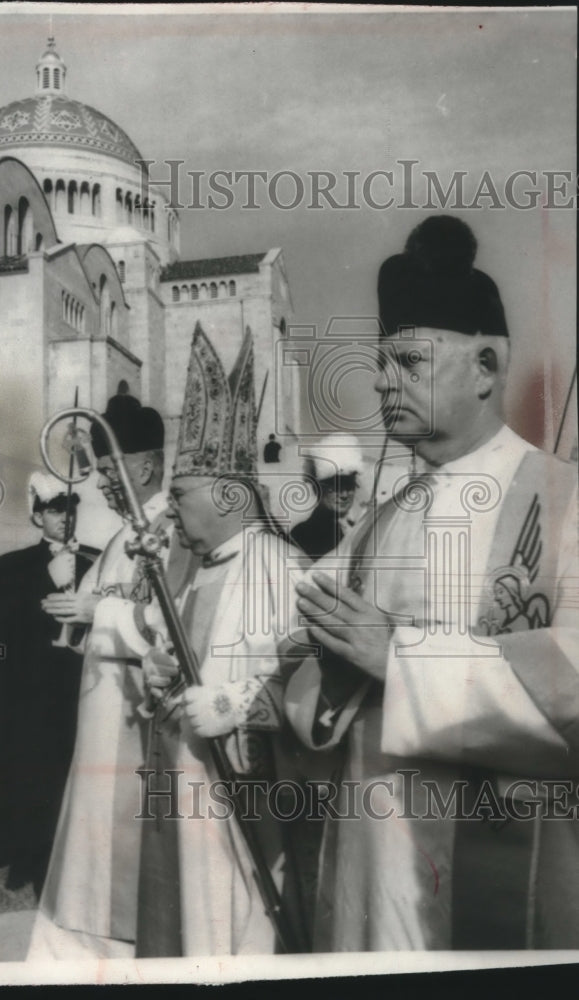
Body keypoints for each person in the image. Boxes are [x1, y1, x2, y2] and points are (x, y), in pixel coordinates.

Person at [285, 215, 579, 950]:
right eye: (379, 365)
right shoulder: (380, 519)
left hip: (498, 865)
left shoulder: (562, 501)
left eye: (407, 365)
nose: (382, 383)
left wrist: (401, 661)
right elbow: (296, 649)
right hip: (368, 860)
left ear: (483, 367)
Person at [135, 324, 304, 957]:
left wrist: (237, 705)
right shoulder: (193, 568)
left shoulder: (280, 568)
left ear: (229, 492)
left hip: (248, 807)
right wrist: (162, 673)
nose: (171, 511)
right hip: (185, 790)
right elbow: (184, 657)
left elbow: (312, 688)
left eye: (179, 495)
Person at [28, 393, 192, 959]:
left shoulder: (172, 528)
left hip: (136, 712)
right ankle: (96, 917)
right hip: (104, 704)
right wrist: (78, 608)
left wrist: (97, 611)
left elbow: (178, 620)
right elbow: (101, 600)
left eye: (106, 471)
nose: (100, 485)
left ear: (142, 467)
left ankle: (123, 922)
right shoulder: (126, 533)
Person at [0, 472, 97, 896]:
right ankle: (25, 857)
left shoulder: (96, 562)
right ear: (36, 516)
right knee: (26, 776)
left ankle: (65, 861)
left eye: (71, 508)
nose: (65, 517)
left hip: (76, 692)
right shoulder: (8, 568)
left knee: (71, 775)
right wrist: (46, 581)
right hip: (25, 698)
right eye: (54, 509)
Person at [290, 434, 363, 561]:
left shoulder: (357, 527)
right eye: (335, 487)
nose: (344, 495)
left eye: (349, 485)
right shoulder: (303, 533)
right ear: (317, 488)